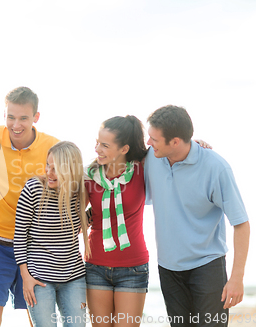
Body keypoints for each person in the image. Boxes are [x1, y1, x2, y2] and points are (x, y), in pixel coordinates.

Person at [145, 105, 250, 327]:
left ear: (175, 141)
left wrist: (237, 278)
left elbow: (241, 223)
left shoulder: (216, 167)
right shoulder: (152, 158)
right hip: (168, 268)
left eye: (154, 138)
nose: (148, 143)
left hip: (207, 267)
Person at [0, 86, 59, 327]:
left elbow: (72, 183)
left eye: (23, 118)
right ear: (4, 115)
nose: (16, 125)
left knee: (37, 314)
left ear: (36, 118)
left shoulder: (52, 147)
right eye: (10, 117)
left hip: (35, 243)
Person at [14, 141, 91, 327]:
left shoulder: (80, 192)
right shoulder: (33, 189)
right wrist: (25, 277)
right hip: (39, 279)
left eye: (56, 169)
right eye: (48, 165)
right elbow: (19, 236)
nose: (49, 172)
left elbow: (82, 221)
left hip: (74, 276)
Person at [84, 116, 149, 327]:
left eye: (104, 145)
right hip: (95, 266)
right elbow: (76, 219)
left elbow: (170, 151)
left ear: (124, 149)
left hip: (133, 268)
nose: (97, 149)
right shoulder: (89, 176)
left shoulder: (142, 169)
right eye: (97, 143)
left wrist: (197, 145)